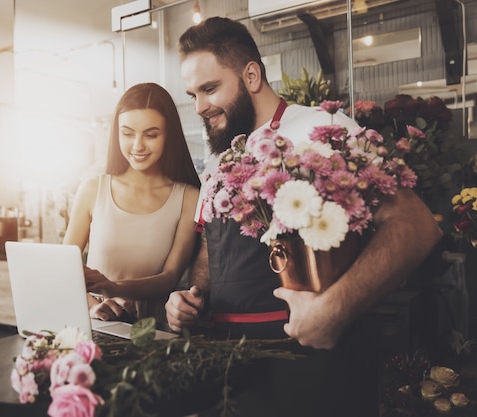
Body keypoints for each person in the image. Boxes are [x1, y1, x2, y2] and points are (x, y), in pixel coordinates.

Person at [164, 17, 443, 416]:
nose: (199, 107)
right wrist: (191, 298)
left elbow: (415, 225)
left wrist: (334, 309)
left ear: (252, 74)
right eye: (192, 94)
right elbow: (213, 241)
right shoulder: (222, 156)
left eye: (210, 89)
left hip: (308, 361)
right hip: (228, 363)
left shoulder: (322, 128)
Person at [63, 82, 201, 323]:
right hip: (96, 325)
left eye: (151, 135)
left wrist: (111, 286)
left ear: (169, 135)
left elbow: (169, 278)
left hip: (156, 329)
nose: (137, 146)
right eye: (127, 133)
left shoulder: (188, 197)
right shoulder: (93, 189)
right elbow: (64, 268)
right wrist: (93, 307)